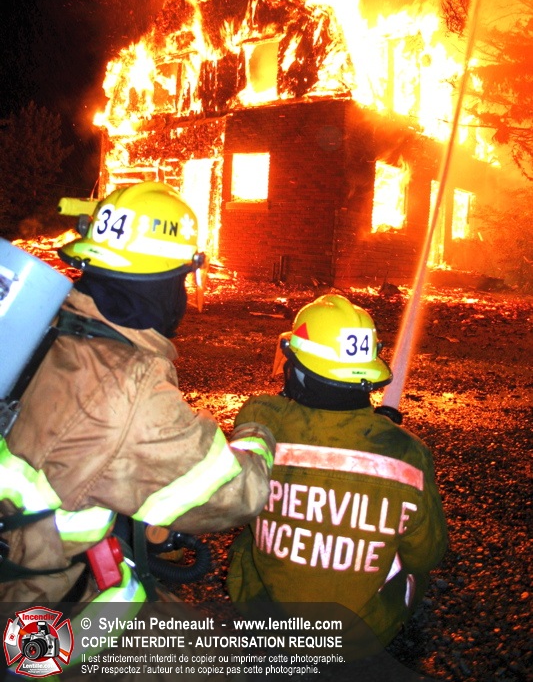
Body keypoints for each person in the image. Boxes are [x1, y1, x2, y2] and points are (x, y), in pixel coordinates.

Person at [0, 181, 275, 609]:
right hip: (36, 608)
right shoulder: (130, 385)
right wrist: (257, 433)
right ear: (165, 285)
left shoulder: (38, 324)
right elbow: (236, 494)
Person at [226, 293, 448, 655]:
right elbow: (427, 555)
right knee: (412, 561)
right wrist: (381, 432)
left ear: (298, 370)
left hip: (264, 617)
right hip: (356, 638)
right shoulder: (408, 454)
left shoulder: (261, 419)